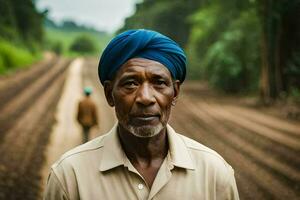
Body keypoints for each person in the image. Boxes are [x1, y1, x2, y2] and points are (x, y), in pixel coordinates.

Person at [44, 29, 239, 200]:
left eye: (159, 83)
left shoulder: (214, 174)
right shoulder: (70, 176)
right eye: (131, 83)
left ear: (175, 93)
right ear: (109, 94)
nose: (145, 98)